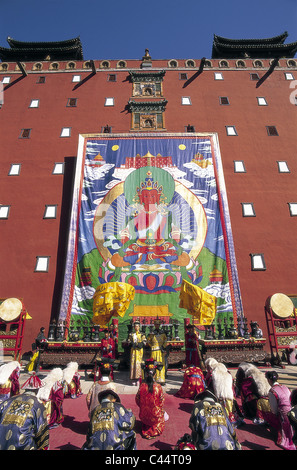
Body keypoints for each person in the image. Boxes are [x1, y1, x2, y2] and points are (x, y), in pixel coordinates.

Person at [0, 372, 49, 450]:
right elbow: (41, 431)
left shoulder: (8, 401)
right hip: (23, 444)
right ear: (37, 390)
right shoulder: (38, 404)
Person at [82, 383, 136, 450]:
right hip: (114, 447)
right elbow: (130, 422)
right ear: (113, 399)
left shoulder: (95, 410)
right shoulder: (117, 407)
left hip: (94, 447)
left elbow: (89, 433)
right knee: (131, 434)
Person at [236, 363, 277, 427]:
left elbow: (244, 390)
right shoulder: (260, 376)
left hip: (262, 402)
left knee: (249, 397)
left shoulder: (248, 380)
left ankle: (253, 413)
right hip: (271, 403)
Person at [206, 360, 244, 427]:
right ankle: (233, 418)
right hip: (229, 395)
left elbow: (210, 387)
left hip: (220, 396)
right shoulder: (228, 373)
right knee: (231, 407)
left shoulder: (213, 375)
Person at [135, 358, 166, 439]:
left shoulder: (142, 386)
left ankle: (146, 426)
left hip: (143, 417)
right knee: (163, 414)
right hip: (155, 417)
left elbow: (137, 400)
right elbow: (161, 402)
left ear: (145, 373)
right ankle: (154, 429)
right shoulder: (158, 387)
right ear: (155, 374)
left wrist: (143, 405)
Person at [266, 370, 296, 450]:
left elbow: (274, 409)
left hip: (285, 414)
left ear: (269, 380)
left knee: (270, 414)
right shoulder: (285, 387)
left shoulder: (272, 391)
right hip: (293, 411)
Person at [146, 318, 167, 385]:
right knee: (153, 364)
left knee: (161, 364)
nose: (157, 326)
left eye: (158, 324)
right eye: (156, 324)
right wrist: (152, 346)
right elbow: (148, 341)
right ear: (154, 325)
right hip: (154, 351)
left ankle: (161, 379)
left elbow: (165, 340)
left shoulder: (163, 333)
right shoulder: (152, 334)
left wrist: (163, 346)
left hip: (160, 351)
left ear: (159, 325)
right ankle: (154, 379)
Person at [127, 320, 146, 385]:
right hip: (133, 351)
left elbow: (144, 342)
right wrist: (132, 343)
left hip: (139, 351)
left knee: (138, 364)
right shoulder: (132, 334)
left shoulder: (142, 334)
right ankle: (133, 378)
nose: (136, 328)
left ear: (139, 327)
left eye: (137, 326)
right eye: (135, 326)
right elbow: (129, 341)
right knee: (133, 364)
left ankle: (139, 378)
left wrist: (138, 344)